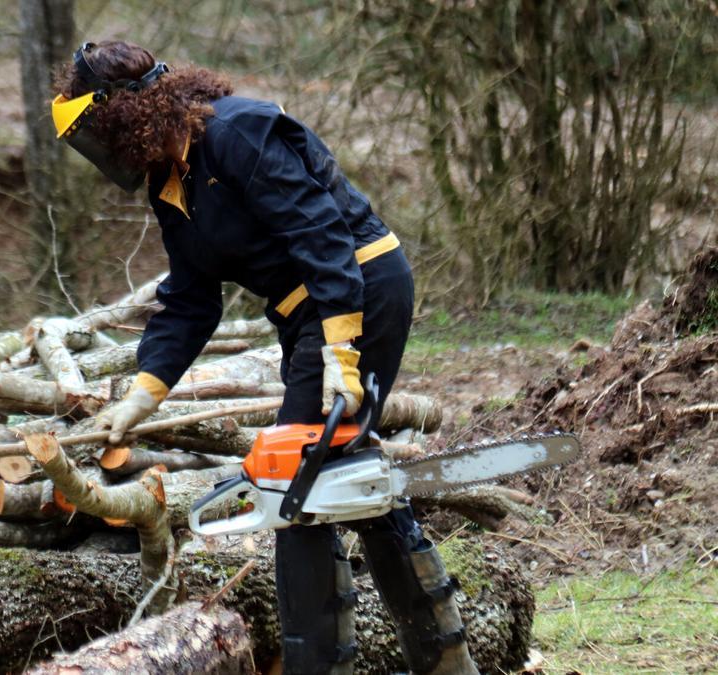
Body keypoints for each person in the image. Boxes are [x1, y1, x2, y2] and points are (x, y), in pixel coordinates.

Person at [51, 41, 479, 675]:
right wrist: (145, 389)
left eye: (94, 130)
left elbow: (321, 233)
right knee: (343, 481)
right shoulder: (172, 185)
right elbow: (192, 299)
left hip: (358, 285)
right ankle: (446, 662)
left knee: (293, 477)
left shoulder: (237, 133)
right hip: (309, 310)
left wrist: (339, 346)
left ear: (123, 113)